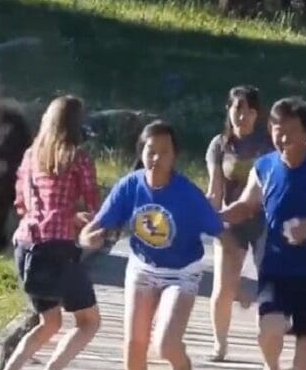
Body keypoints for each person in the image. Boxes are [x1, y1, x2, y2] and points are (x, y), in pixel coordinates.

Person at [79, 120, 232, 370]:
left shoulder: (188, 194)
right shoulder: (129, 186)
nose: (157, 157)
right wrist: (88, 239)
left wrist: (233, 277)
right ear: (142, 152)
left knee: (166, 345)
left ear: (175, 156)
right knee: (134, 343)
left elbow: (222, 234)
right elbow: (91, 228)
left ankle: (182, 364)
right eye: (151, 150)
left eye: (165, 151)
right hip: (142, 268)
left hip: (182, 273)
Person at [219, 97, 306, 370]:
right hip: (276, 269)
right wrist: (215, 217)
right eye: (277, 131)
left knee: (305, 357)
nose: (283, 138)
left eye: (290, 131)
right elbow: (246, 206)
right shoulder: (265, 167)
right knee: (269, 332)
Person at [4, 95, 101, 370]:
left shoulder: (29, 156)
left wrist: (63, 216)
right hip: (58, 251)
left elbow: (22, 204)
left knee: (51, 323)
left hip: (26, 247)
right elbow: (95, 206)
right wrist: (79, 220)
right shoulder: (78, 158)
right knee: (89, 322)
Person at [205, 85, 273, 361]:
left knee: (268, 286)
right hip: (231, 221)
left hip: (264, 221)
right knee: (223, 287)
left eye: (248, 110)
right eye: (237, 109)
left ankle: (267, 345)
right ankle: (219, 345)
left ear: (257, 114)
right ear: (228, 110)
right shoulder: (219, 145)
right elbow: (214, 189)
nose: (242, 116)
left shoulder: (268, 144)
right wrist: (210, 220)